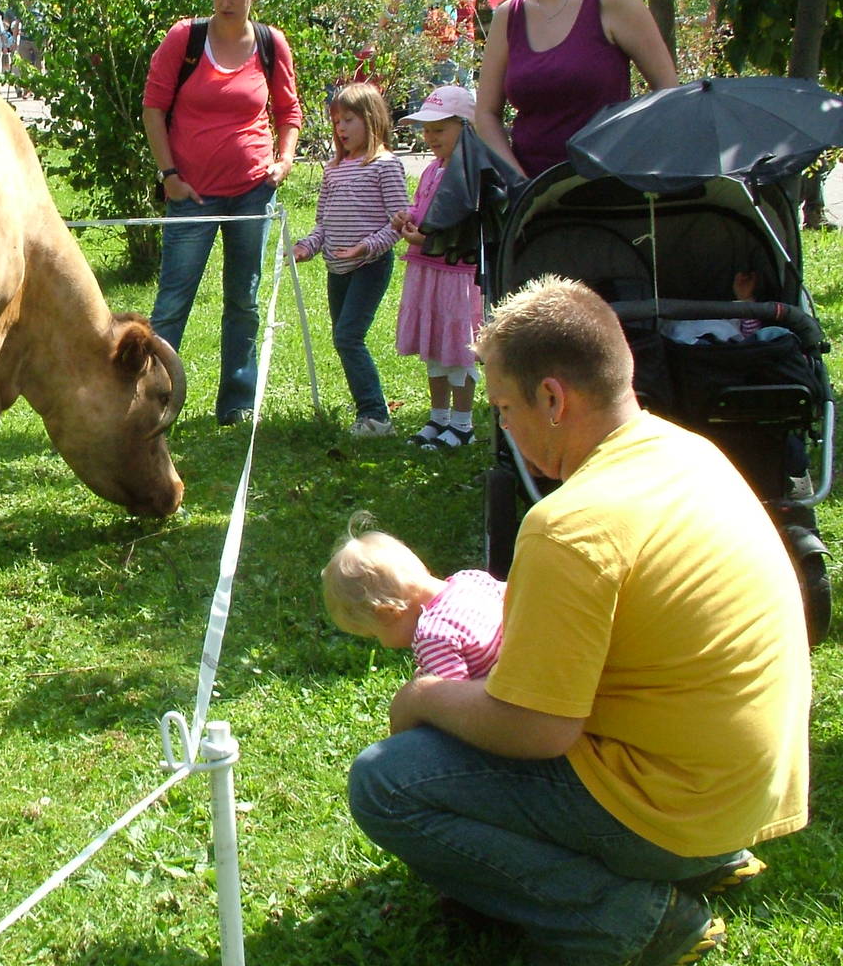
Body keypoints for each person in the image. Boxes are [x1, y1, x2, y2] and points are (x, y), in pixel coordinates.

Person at [348, 276, 811, 966]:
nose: (502, 424)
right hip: (748, 796)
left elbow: (536, 729)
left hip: (674, 811)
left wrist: (423, 695)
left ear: (553, 398)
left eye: (503, 407)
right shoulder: (692, 453)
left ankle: (635, 918)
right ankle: (697, 861)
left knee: (385, 781)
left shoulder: (570, 526)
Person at [143, 0, 303, 426]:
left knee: (243, 299)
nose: (225, 3)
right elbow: (153, 108)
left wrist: (285, 159)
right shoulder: (185, 38)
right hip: (190, 193)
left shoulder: (272, 44)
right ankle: (150, 396)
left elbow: (289, 111)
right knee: (173, 300)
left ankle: (236, 402)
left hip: (252, 189)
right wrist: (169, 176)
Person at [476, 0, 678, 179]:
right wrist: (518, 182)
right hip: (534, 199)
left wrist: (637, 156)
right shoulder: (509, 15)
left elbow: (669, 93)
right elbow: (485, 115)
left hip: (607, 192)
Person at [292, 82, 407, 437]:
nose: (340, 128)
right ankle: (368, 413)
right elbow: (323, 224)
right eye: (337, 121)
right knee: (343, 338)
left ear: (371, 120)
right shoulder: (333, 169)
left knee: (348, 337)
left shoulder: (385, 166)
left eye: (349, 120)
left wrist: (367, 247)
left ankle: (375, 416)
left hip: (368, 267)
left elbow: (400, 222)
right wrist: (306, 247)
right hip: (336, 269)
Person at [391, 85, 484, 449]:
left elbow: (465, 229)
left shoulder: (471, 176)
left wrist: (425, 240)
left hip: (455, 273)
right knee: (434, 347)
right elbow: (423, 209)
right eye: (426, 130)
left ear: (465, 127)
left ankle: (463, 424)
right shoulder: (433, 170)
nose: (430, 137)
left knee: (457, 347)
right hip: (426, 271)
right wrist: (407, 218)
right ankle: (438, 418)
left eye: (439, 129)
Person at [322, 513, 505, 680]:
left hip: (504, 696)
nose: (383, 645)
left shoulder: (433, 637)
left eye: (374, 634)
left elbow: (454, 700)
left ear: (387, 613)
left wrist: (427, 687)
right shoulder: (471, 579)